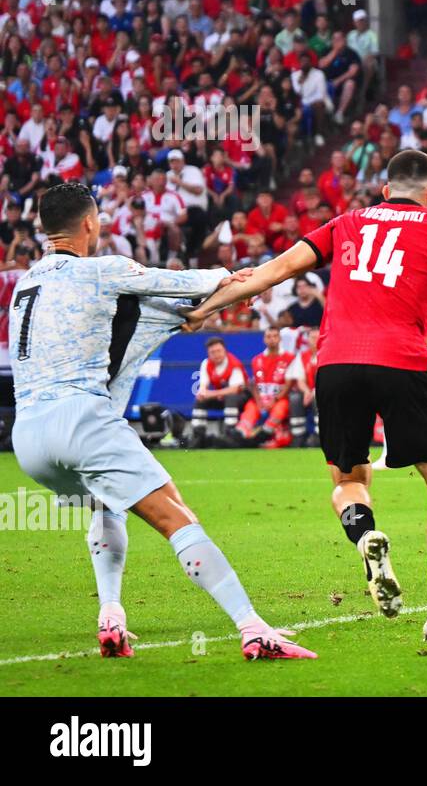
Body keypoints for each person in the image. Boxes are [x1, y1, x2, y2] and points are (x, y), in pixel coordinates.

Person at [185, 150, 427, 654]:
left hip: (336, 364)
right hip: (403, 362)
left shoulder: (346, 222)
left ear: (386, 191)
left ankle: (366, 535)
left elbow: (272, 272)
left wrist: (203, 311)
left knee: (348, 480)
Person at [9, 182, 314, 660]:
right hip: (83, 418)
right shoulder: (106, 273)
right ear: (90, 223)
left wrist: (198, 307)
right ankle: (252, 627)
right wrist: (230, 279)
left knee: (106, 506)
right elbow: (187, 283)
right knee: (175, 515)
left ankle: (110, 614)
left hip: (27, 436)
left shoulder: (25, 284)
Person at [191, 336, 248, 447]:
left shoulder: (234, 363)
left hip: (241, 397)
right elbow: (203, 385)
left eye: (219, 351)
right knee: (200, 401)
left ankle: (230, 435)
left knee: (230, 398)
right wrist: (202, 393)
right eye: (213, 352)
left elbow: (235, 389)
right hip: (221, 396)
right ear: (208, 354)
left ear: (224, 351)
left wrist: (211, 394)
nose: (216, 354)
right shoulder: (206, 363)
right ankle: (198, 436)